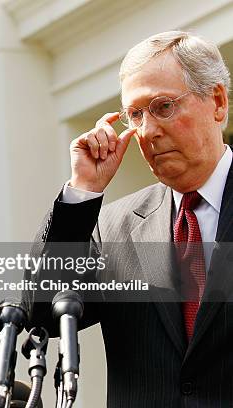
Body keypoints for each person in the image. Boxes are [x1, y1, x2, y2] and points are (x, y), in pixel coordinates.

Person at [30, 31, 233, 407]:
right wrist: (82, 191)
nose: (148, 131)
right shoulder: (113, 227)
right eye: (135, 115)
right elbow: (40, 310)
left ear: (217, 102)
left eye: (163, 106)